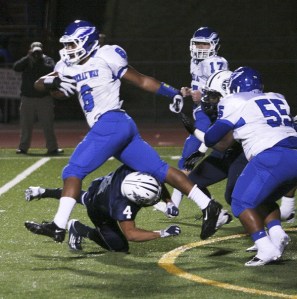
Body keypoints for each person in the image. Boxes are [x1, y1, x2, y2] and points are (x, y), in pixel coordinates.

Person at [26, 19, 225, 243]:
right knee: (160, 170)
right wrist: (52, 85)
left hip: (111, 122)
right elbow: (43, 86)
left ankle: (58, 225)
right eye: (67, 44)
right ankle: (209, 205)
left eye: (72, 44)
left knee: (73, 170)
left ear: (87, 42)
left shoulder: (107, 55)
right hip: (120, 127)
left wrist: (172, 93)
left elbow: (141, 80)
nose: (68, 49)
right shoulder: (65, 65)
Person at [185, 66, 297, 266]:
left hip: (270, 155)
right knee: (265, 197)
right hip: (293, 152)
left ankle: (265, 248)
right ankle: (277, 234)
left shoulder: (234, 101)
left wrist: (198, 131)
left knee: (239, 201)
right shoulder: (276, 97)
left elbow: (212, 138)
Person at [25, 165, 181, 251]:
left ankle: (43, 191)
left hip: (99, 185)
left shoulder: (131, 170)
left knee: (84, 197)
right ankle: (79, 228)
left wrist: (168, 201)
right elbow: (131, 234)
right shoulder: (121, 205)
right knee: (119, 247)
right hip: (99, 209)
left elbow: (155, 182)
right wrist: (162, 233)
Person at [168, 27, 229, 212]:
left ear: (214, 45)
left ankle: (174, 204)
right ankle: (176, 204)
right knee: (189, 155)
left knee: (190, 152)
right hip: (201, 110)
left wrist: (202, 95)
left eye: (205, 43)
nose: (200, 47)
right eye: (197, 43)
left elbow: (221, 90)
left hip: (212, 113)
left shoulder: (216, 62)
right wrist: (189, 91)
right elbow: (199, 84)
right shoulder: (195, 61)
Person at [12, 41, 64, 155]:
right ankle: (23, 147)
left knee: (47, 124)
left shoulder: (47, 60)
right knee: (26, 125)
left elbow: (51, 69)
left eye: (38, 51)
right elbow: (16, 67)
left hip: (44, 98)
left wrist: (39, 60)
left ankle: (52, 147)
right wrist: (28, 58)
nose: (36, 53)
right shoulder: (26, 60)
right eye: (34, 51)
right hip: (27, 98)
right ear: (30, 50)